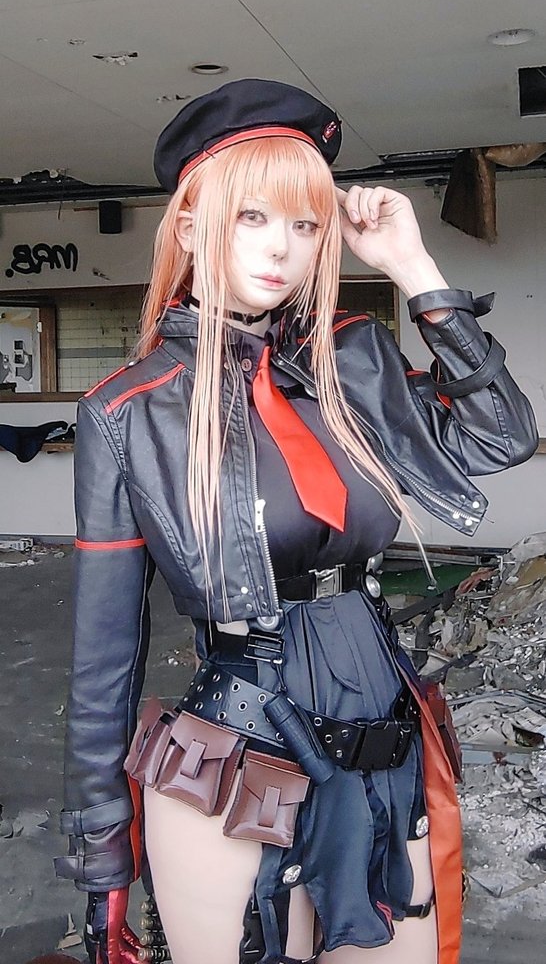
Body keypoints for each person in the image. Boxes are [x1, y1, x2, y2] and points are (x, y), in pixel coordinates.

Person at [55, 79, 538, 964]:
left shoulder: (353, 358)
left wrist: (415, 270)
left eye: (307, 224)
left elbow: (503, 437)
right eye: (253, 217)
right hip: (234, 762)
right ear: (191, 227)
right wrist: (102, 856)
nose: (283, 247)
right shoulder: (130, 411)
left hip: (386, 748)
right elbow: (103, 659)